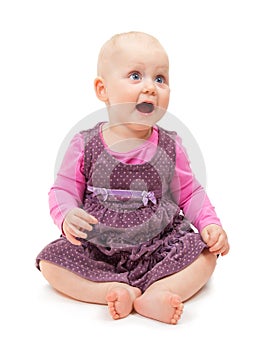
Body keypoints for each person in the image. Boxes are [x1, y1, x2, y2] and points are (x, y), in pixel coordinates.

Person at [36, 31, 229, 325]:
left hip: (159, 243)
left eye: (160, 79)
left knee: (204, 256)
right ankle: (111, 290)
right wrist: (66, 215)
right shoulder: (85, 144)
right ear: (103, 89)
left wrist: (210, 225)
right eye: (136, 76)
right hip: (99, 245)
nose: (151, 88)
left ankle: (160, 290)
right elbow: (63, 189)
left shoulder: (170, 145)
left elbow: (189, 193)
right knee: (51, 263)